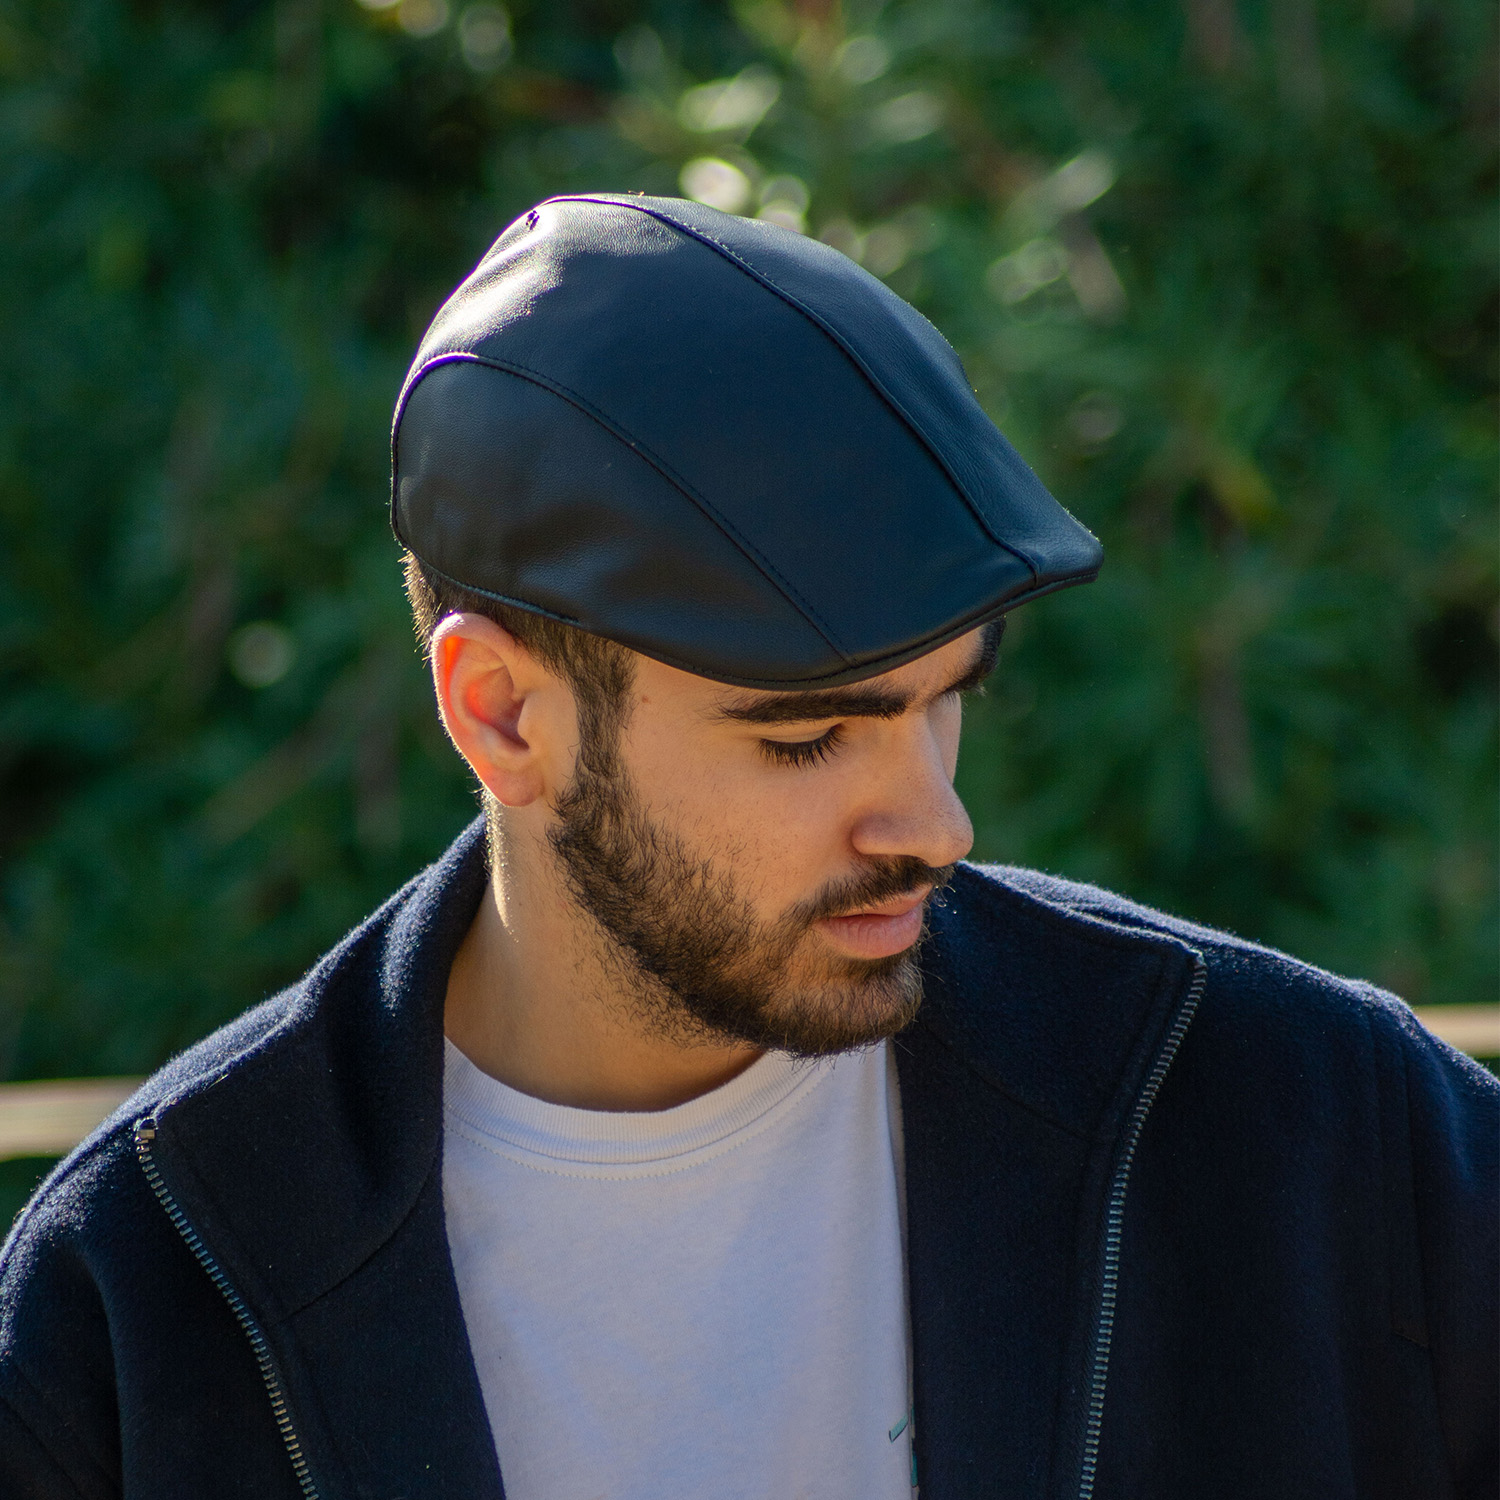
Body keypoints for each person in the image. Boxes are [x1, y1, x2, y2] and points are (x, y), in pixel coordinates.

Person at [0, 195, 1493, 1500]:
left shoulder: (1318, 1130)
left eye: (946, 702)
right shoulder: (144, 1297)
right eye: (807, 736)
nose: (936, 826)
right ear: (502, 715)